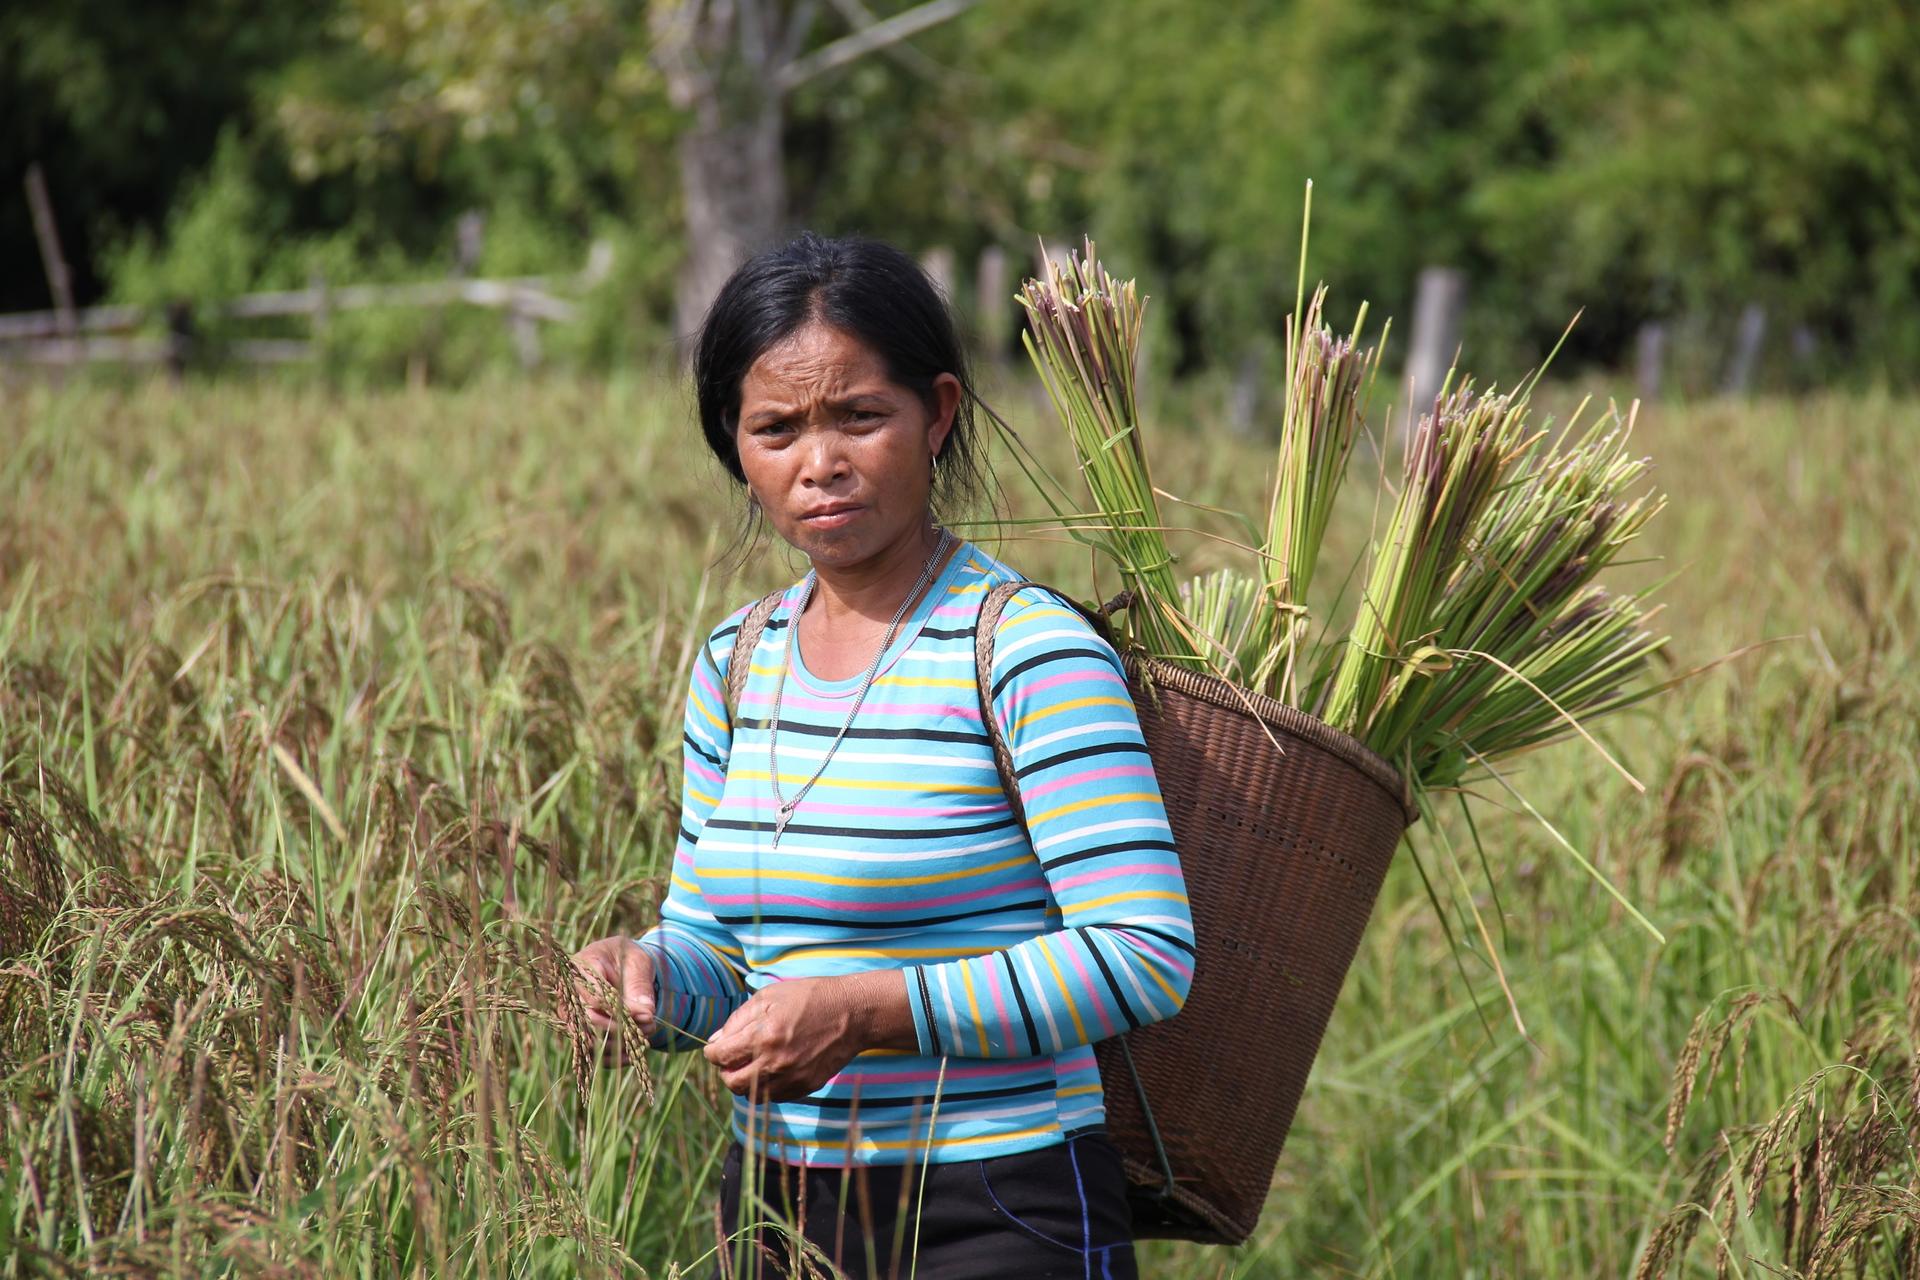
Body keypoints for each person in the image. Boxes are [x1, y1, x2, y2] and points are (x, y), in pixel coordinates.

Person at [571, 232, 1193, 1279]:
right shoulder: (736, 662)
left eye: (860, 416)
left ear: (937, 414)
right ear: (735, 445)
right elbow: (722, 950)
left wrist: (864, 1012)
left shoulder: (1026, 649)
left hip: (1000, 1208)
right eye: (776, 429)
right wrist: (641, 983)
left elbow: (1141, 951)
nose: (820, 462)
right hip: (776, 1207)